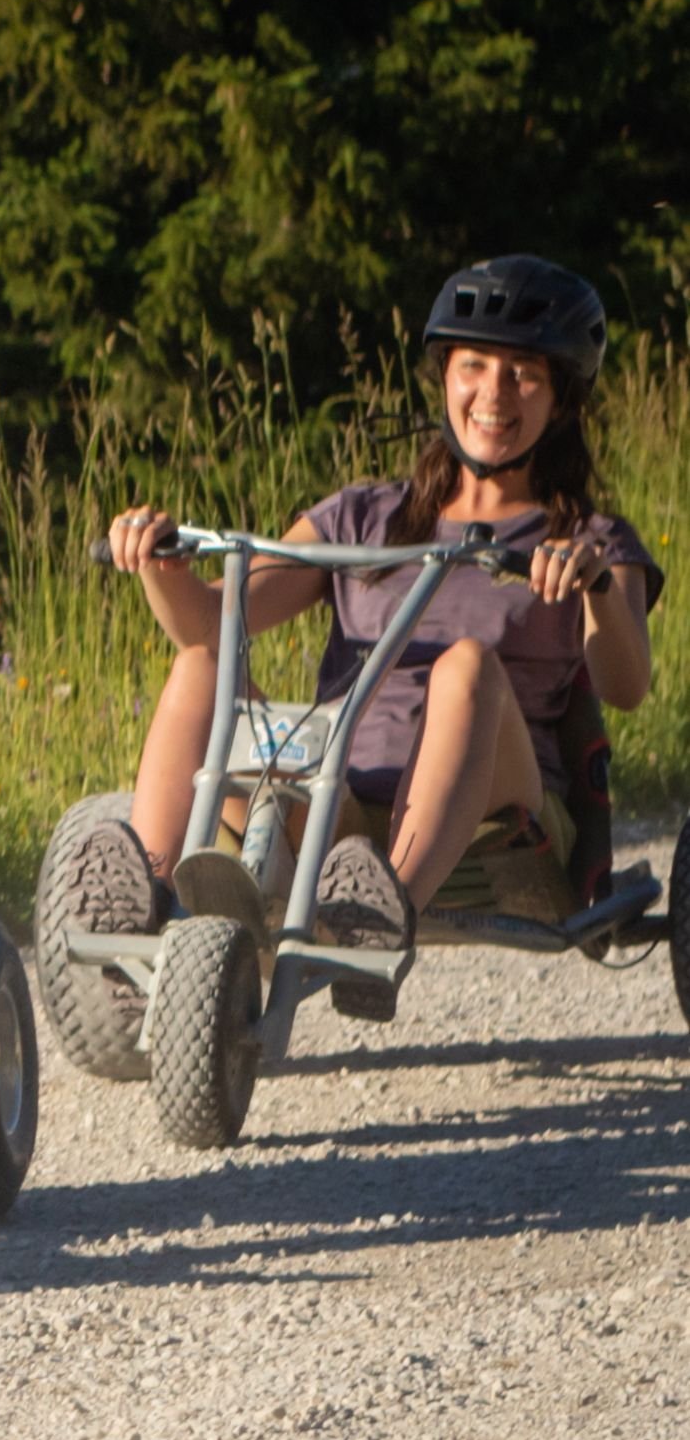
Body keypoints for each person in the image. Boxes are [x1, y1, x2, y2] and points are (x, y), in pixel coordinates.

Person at [100, 257, 660, 964]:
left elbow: (626, 685)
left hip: (499, 811)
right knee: (198, 666)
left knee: (464, 666)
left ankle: (382, 911)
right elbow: (212, 622)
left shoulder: (587, 541)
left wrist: (596, 590)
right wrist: (157, 564)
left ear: (561, 400)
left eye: (523, 373)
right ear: (444, 377)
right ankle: (143, 903)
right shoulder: (364, 516)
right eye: (473, 367)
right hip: (338, 807)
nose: (493, 393)